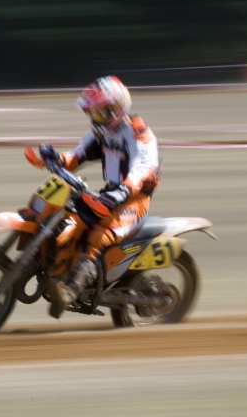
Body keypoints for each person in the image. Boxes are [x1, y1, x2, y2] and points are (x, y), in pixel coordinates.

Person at [30, 76, 160, 319]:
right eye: (93, 112)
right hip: (112, 194)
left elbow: (143, 168)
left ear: (116, 110)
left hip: (134, 200)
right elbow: (77, 155)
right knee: (67, 218)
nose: (95, 117)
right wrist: (55, 159)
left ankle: (69, 291)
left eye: (101, 112)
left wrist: (122, 191)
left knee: (98, 235)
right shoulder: (102, 132)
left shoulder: (138, 133)